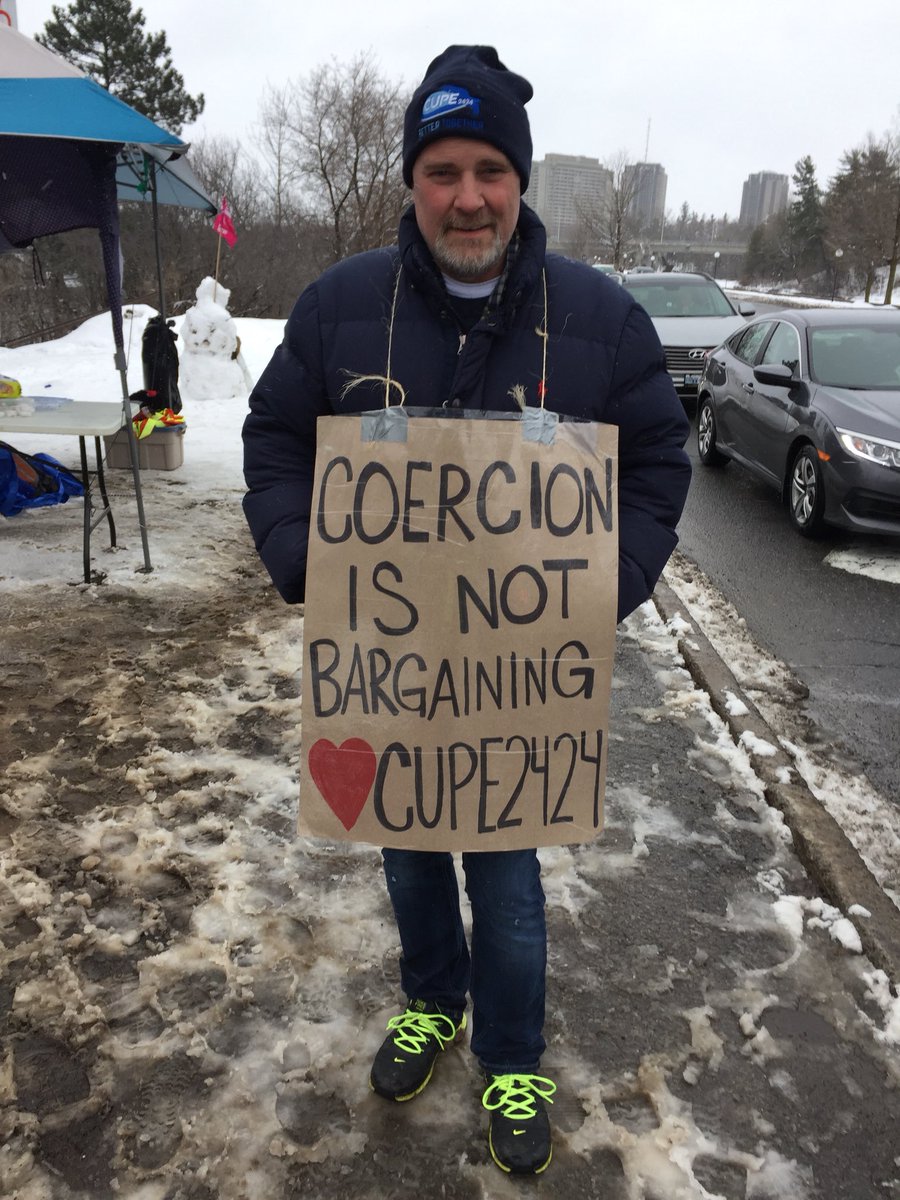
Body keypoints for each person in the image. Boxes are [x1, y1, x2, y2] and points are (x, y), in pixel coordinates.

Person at [242, 45, 691, 1176]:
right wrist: (306, 558)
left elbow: (657, 465)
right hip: (390, 676)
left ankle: (515, 1053)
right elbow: (275, 439)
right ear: (412, 181)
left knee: (509, 878)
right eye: (443, 170)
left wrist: (605, 588)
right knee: (406, 855)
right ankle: (431, 998)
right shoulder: (341, 307)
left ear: (520, 180)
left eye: (490, 168)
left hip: (517, 687)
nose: (469, 196)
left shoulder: (597, 316)